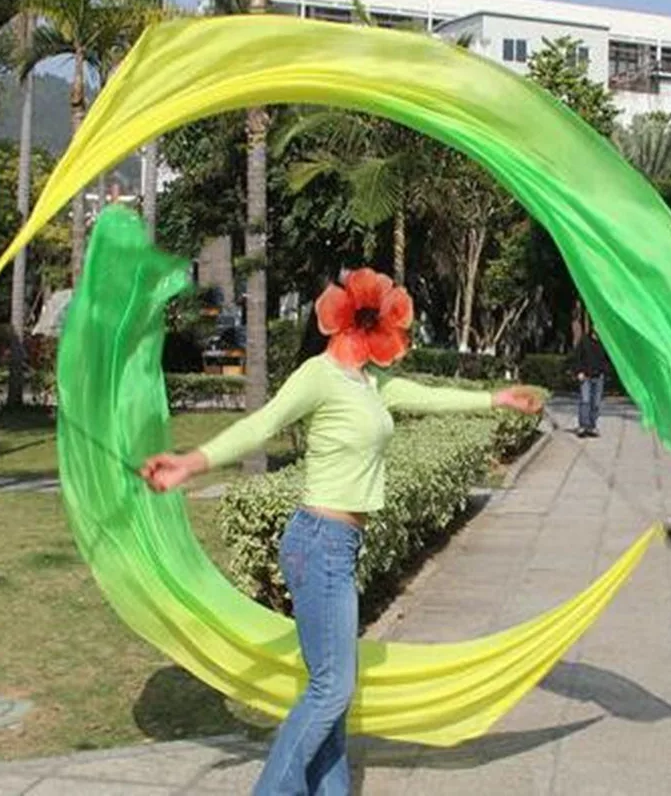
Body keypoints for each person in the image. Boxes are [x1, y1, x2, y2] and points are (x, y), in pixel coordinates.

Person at [140, 268, 542, 796]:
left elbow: (429, 396)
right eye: (378, 323)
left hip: (338, 546)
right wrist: (191, 462)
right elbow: (261, 425)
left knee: (329, 687)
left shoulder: (374, 384)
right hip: (318, 543)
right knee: (331, 690)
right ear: (347, 323)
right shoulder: (318, 375)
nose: (389, 336)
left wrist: (496, 400)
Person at [573, 325, 609, 438]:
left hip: (598, 377)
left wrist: (604, 371)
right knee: (585, 401)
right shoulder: (585, 341)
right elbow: (577, 357)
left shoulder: (604, 343)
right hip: (586, 377)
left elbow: (607, 360)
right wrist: (579, 371)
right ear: (593, 328)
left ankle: (592, 426)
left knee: (596, 403)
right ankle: (583, 426)